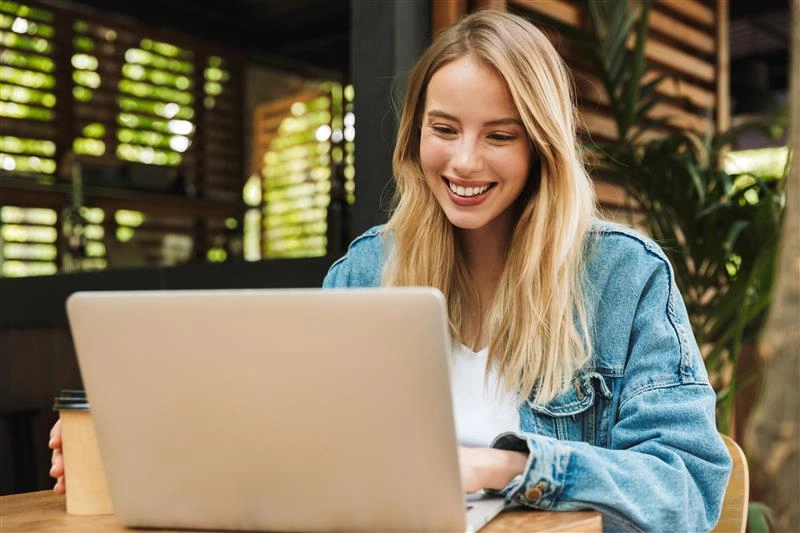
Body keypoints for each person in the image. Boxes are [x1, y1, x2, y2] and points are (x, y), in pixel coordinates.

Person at [51, 10, 731, 531]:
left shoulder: (623, 276)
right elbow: (292, 441)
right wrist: (134, 437)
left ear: (541, 148)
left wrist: (506, 466)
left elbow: (688, 489)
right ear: (415, 135)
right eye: (444, 129)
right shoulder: (368, 270)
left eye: (499, 135)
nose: (464, 162)